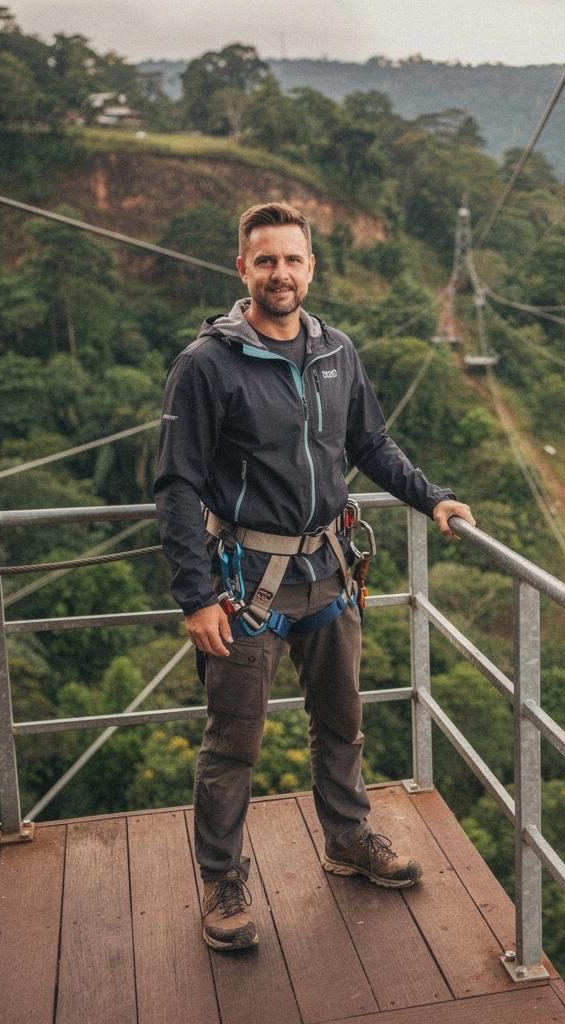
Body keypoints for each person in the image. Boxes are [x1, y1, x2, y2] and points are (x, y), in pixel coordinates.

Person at [154, 201, 474, 951]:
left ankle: (347, 836)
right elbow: (176, 485)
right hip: (244, 585)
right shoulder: (206, 365)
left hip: (328, 571)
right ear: (243, 270)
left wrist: (431, 498)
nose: (280, 274)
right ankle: (222, 879)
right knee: (235, 739)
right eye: (265, 260)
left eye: (293, 260)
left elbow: (370, 442)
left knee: (341, 718)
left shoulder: (336, 352)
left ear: (311, 268)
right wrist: (194, 595)